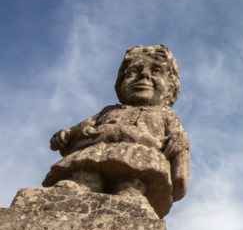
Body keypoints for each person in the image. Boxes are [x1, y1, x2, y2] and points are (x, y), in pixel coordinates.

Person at [43, 45, 189, 218]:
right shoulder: (109, 111)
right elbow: (80, 128)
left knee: (130, 182)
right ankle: (82, 184)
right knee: (87, 171)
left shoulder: (167, 115)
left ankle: (130, 193)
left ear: (171, 87)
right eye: (134, 71)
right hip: (98, 149)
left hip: (140, 157)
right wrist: (66, 135)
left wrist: (179, 142)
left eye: (156, 71)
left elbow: (178, 137)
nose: (145, 75)